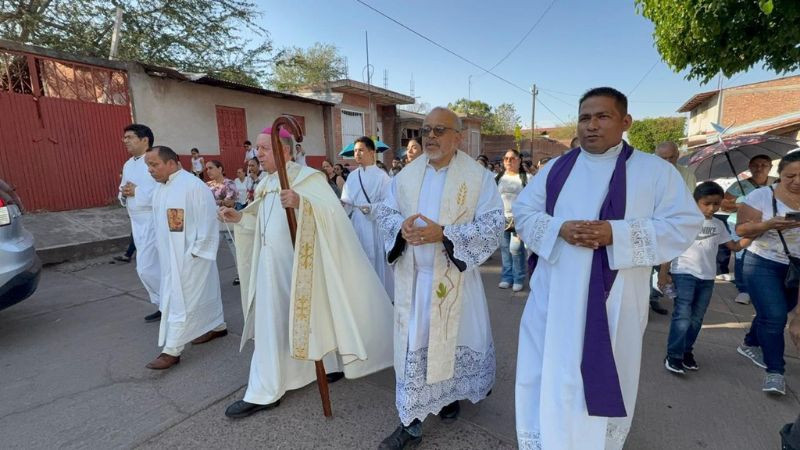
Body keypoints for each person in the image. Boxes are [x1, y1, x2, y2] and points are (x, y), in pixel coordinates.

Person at [513, 87, 702, 449]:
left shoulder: (654, 172)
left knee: (605, 370)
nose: (591, 126)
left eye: (603, 116)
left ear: (625, 121)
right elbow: (524, 212)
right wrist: (559, 229)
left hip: (616, 299)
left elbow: (683, 223)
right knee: (546, 370)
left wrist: (615, 232)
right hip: (554, 296)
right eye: (585, 117)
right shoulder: (555, 169)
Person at [218, 126, 393, 418]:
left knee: (309, 319)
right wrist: (240, 219)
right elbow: (262, 221)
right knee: (275, 324)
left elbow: (333, 217)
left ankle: (278, 385)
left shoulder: (308, 179)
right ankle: (269, 384)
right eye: (257, 149)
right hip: (272, 271)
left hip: (302, 269)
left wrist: (303, 204)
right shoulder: (267, 183)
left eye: (263, 148)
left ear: (284, 150)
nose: (257, 154)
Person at [375, 107, 503, 449]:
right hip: (415, 282)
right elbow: (384, 211)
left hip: (454, 284)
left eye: (440, 130)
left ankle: (448, 397)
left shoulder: (478, 178)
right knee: (415, 349)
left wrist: (444, 234)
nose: (430, 136)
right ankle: (411, 423)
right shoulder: (405, 176)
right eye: (425, 130)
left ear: (457, 137)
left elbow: (493, 226)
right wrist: (399, 228)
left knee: (453, 343)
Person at [144, 146, 227, 370]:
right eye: (148, 166)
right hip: (172, 257)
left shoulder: (193, 186)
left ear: (171, 163)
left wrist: (198, 252)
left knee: (181, 301)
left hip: (193, 255)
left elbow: (209, 220)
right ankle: (218, 326)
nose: (150, 170)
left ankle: (172, 349)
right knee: (204, 291)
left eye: (154, 165)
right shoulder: (160, 189)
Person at [660, 182, 750, 374]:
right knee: (682, 315)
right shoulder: (684, 222)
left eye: (716, 204)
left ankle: (686, 351)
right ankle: (673, 355)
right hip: (683, 272)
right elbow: (670, 248)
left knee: (697, 318)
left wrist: (756, 232)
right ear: (695, 202)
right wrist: (663, 273)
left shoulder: (719, 224)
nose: (711, 208)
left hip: (707, 277)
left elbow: (734, 246)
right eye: (706, 203)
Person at [735, 152, 800, 395]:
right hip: (762, 262)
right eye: (789, 176)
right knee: (775, 318)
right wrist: (767, 225)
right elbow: (741, 229)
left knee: (774, 311)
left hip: (795, 267)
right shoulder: (762, 195)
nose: (796, 181)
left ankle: (751, 342)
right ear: (779, 174)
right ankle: (775, 372)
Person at [341, 136, 394, 297]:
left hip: (375, 225)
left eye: (361, 150)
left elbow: (390, 204)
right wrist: (343, 205)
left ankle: (380, 296)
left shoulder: (382, 177)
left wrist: (372, 208)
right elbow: (347, 200)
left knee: (376, 260)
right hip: (357, 223)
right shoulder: (351, 176)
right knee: (360, 259)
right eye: (355, 151)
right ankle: (362, 295)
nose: (357, 154)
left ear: (372, 152)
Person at [650, 141, 699, 315]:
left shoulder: (686, 175)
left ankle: (655, 296)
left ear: (678, 156)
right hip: (650, 225)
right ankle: (647, 298)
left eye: (672, 157)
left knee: (664, 266)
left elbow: (690, 202)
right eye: (663, 158)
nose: (668, 161)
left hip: (672, 226)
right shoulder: (647, 174)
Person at [119, 124, 161, 322]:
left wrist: (138, 192)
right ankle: (162, 304)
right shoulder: (128, 164)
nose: (125, 140)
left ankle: (169, 304)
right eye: (124, 137)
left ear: (145, 140)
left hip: (154, 220)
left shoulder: (155, 161)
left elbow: (163, 190)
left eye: (130, 137)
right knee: (148, 268)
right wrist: (124, 193)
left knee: (147, 267)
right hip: (137, 222)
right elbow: (123, 187)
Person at [722, 154, 774, 305]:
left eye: (764, 165)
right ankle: (743, 289)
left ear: (770, 167)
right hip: (739, 224)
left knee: (764, 255)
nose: (759, 168)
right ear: (750, 167)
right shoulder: (739, 186)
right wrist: (743, 205)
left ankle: (761, 287)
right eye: (755, 165)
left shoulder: (776, 183)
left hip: (767, 225)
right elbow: (724, 205)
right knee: (742, 255)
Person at [496, 149, 528, 292]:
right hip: (502, 219)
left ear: (519, 160)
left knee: (515, 250)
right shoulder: (498, 178)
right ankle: (506, 277)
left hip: (518, 220)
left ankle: (518, 278)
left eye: (512, 158)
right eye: (506, 158)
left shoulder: (527, 178)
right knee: (504, 249)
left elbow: (530, 202)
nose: (509, 161)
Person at [205, 160, 239, 286]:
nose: (208, 171)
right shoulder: (207, 185)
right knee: (209, 250)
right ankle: (206, 277)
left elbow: (230, 202)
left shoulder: (229, 183)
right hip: (213, 224)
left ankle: (240, 275)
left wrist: (215, 202)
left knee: (236, 250)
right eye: (207, 169)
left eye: (211, 168)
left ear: (220, 169)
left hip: (227, 222)